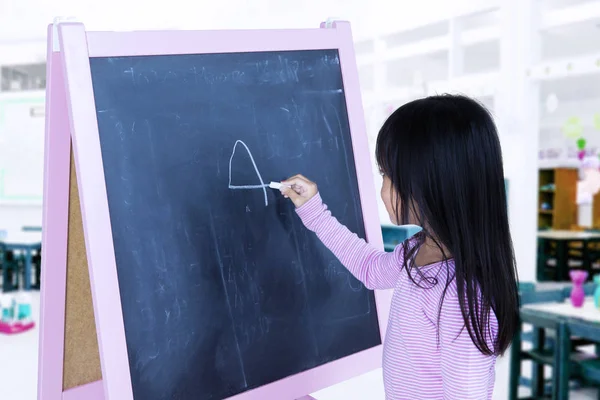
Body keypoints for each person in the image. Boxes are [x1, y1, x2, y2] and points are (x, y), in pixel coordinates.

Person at [278, 94, 519, 399]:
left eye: (389, 175)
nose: (383, 188)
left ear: (434, 184)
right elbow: (369, 269)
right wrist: (315, 209)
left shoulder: (460, 299)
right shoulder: (416, 250)